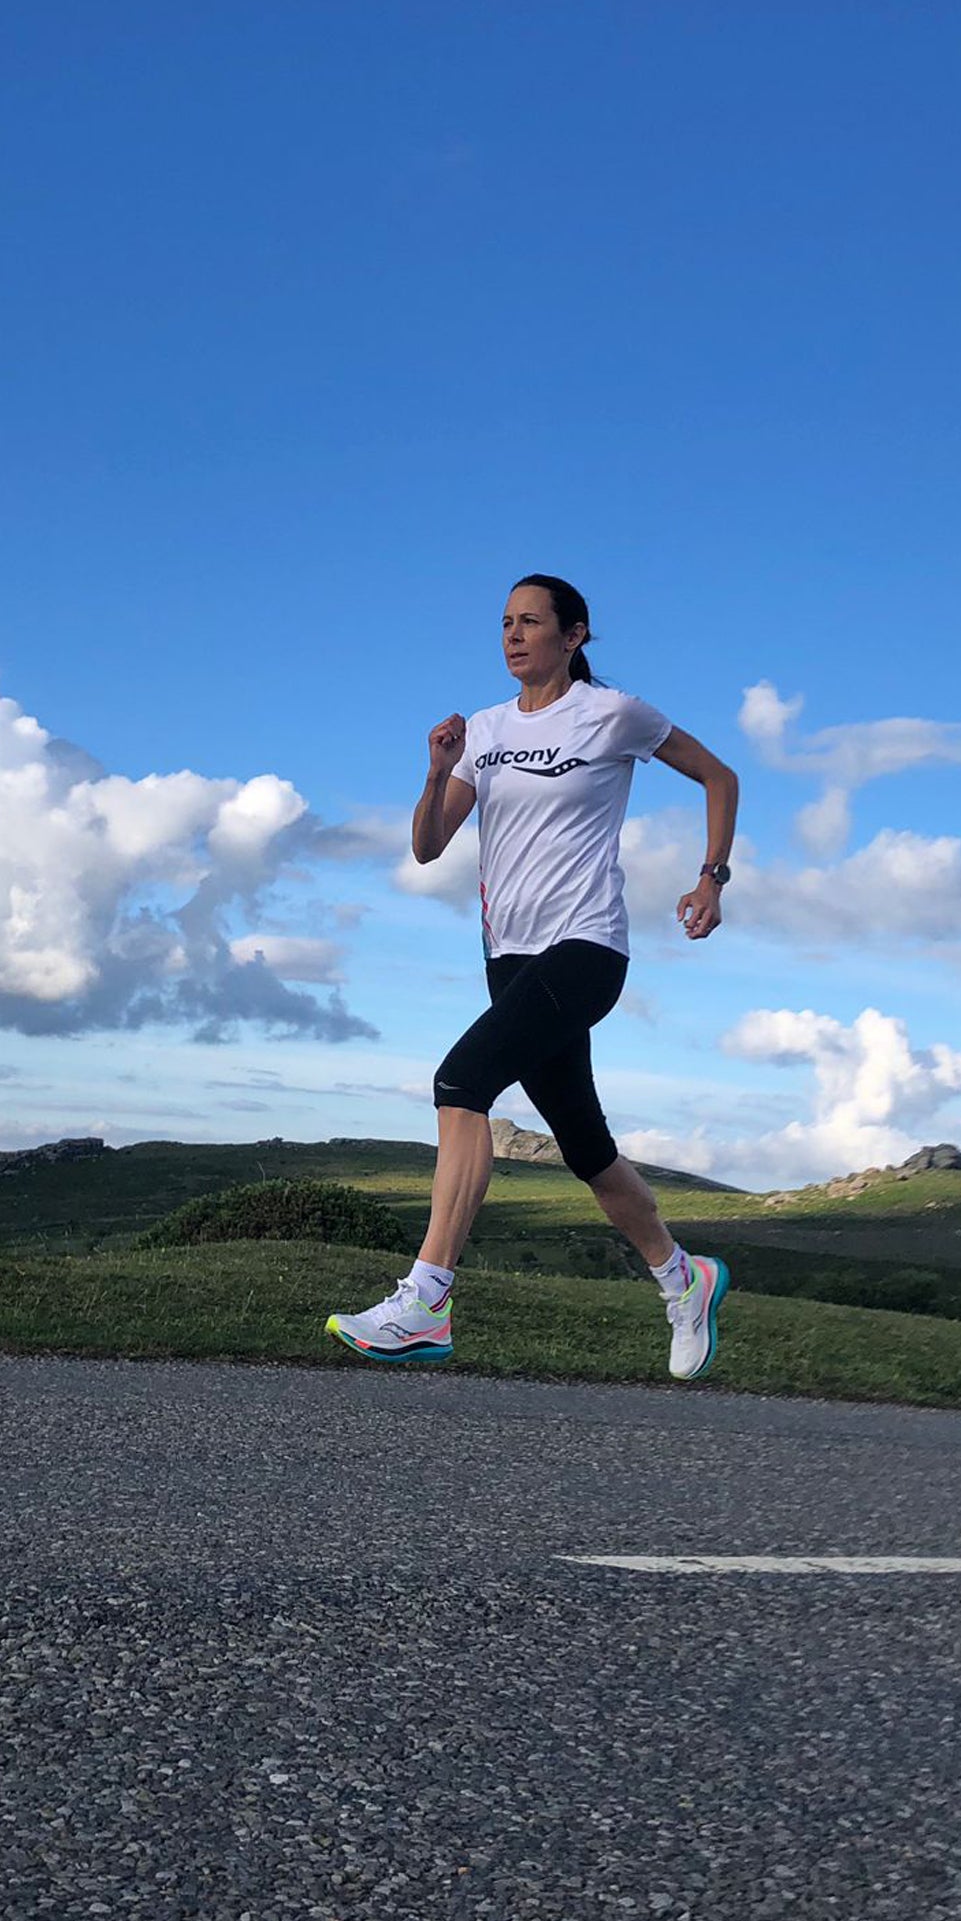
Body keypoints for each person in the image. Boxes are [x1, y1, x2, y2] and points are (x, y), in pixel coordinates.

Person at [326, 573, 739, 1380]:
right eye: (505, 624)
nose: (514, 636)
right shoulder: (482, 730)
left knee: (461, 1081)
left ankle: (427, 1300)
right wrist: (435, 768)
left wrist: (711, 877)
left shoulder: (615, 714)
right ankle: (683, 1277)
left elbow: (719, 777)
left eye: (531, 622)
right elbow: (427, 846)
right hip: (508, 958)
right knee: (587, 1149)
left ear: (575, 634)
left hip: (586, 948)